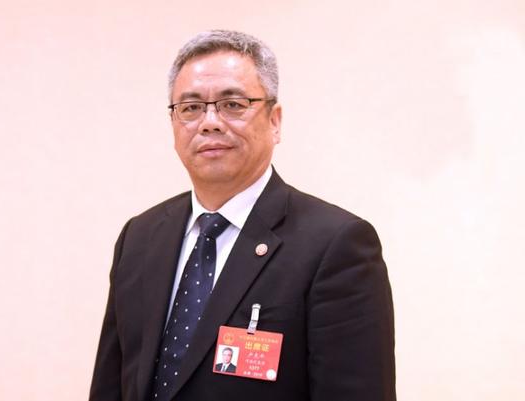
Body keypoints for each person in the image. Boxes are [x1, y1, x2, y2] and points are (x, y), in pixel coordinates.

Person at [89, 30, 395, 401]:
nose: (210, 122)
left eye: (232, 104)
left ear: (275, 121)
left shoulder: (336, 245)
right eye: (191, 108)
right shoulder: (139, 237)